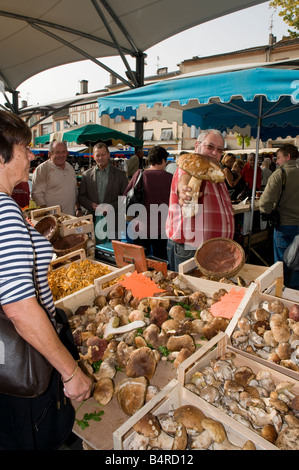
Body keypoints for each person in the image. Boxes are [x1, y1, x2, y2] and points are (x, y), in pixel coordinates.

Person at [0, 110, 92, 450]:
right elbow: (21, 309)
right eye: (24, 147)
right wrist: (70, 372)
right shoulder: (4, 211)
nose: (30, 155)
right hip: (25, 364)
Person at [166, 129, 235, 272]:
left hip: (213, 249)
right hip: (192, 248)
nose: (215, 152)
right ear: (197, 145)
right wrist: (184, 191)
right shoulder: (190, 166)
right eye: (210, 147)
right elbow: (183, 180)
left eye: (220, 150)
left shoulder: (215, 172)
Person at [259, 144, 299, 290]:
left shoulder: (280, 173)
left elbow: (264, 203)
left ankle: (281, 297)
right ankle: (295, 299)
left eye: (279, 158)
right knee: (297, 265)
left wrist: (270, 212)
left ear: (288, 157)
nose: (277, 161)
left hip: (285, 226)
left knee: (281, 267)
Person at [124, 146, 173, 260]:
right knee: (161, 261)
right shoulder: (171, 178)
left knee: (140, 261)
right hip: (162, 229)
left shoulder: (139, 174)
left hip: (141, 227)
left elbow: (125, 196)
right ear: (163, 160)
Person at [78, 143, 128, 240]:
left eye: (103, 155)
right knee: (93, 250)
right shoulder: (86, 175)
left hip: (114, 221)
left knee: (112, 251)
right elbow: (81, 196)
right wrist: (91, 204)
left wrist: (111, 207)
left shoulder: (120, 175)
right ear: (93, 156)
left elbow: (125, 198)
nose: (100, 158)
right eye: (98, 155)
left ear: (108, 155)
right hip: (93, 220)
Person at [31, 141, 80, 216]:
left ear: (67, 153)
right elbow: (37, 195)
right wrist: (48, 215)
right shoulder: (43, 169)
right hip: (53, 221)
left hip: (71, 218)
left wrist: (78, 209)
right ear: (50, 154)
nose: (61, 155)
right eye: (57, 152)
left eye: (63, 152)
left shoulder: (70, 168)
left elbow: (74, 191)